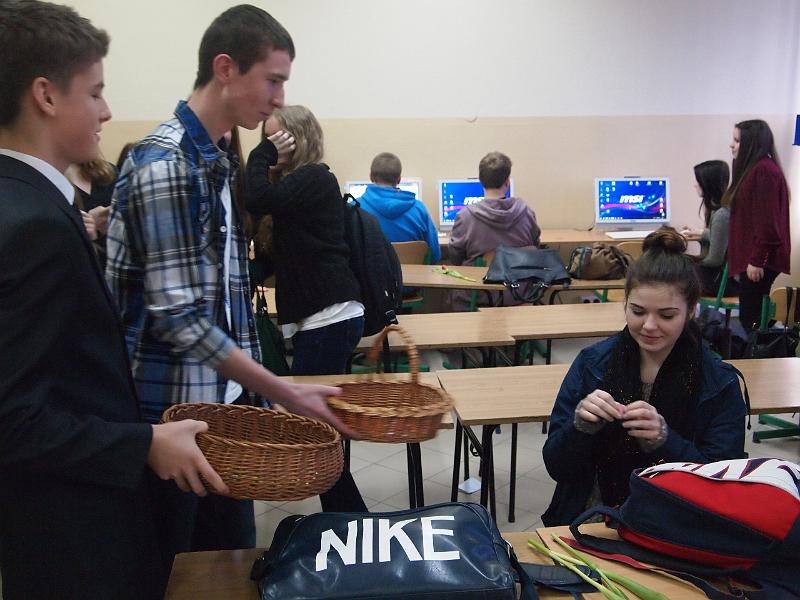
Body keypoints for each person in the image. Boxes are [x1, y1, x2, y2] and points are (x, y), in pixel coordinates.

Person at [106, 5, 351, 568]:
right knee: (174, 573)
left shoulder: (216, 158)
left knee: (232, 570)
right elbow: (181, 320)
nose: (279, 99)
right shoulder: (167, 163)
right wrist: (284, 390)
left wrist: (256, 397)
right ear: (225, 68)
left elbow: (230, 305)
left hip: (223, 416)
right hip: (171, 420)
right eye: (273, 80)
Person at [0, 2, 229, 598]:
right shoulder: (35, 225)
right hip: (71, 532)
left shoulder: (29, 201)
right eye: (96, 92)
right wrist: (144, 444)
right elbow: (13, 419)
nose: (106, 111)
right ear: (46, 96)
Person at [541, 228, 746, 526]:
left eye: (666, 315)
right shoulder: (593, 364)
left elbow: (723, 485)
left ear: (691, 311)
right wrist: (580, 427)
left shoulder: (718, 382)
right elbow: (556, 466)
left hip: (675, 527)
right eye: (638, 311)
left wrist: (664, 440)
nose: (649, 325)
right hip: (592, 520)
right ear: (625, 303)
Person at [245, 105, 368, 512]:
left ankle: (352, 522)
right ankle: (350, 520)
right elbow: (282, 256)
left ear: (299, 139)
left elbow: (255, 196)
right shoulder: (293, 190)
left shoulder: (314, 177)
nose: (271, 147)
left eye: (277, 138)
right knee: (321, 429)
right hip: (321, 317)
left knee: (317, 432)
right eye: (266, 138)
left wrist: (260, 154)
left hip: (329, 317)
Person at [448, 151, 541, 310]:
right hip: (518, 295)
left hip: (479, 295)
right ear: (507, 182)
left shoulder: (465, 216)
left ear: (480, 180)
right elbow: (535, 247)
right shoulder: (527, 212)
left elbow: (455, 257)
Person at [724, 120, 790, 329]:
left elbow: (768, 223)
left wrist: (757, 259)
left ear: (751, 144)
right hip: (755, 257)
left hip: (759, 259)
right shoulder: (756, 169)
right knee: (753, 318)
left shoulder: (763, 171)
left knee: (751, 320)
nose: (731, 145)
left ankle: (763, 350)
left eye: (737, 140)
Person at [358, 152, 441, 263]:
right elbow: (435, 254)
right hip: (413, 274)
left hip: (369, 273)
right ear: (399, 179)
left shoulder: (354, 208)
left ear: (371, 176)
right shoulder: (419, 209)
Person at [681, 160, 739, 296]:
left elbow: (714, 260)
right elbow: (720, 236)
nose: (695, 185)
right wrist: (701, 233)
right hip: (717, 278)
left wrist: (686, 261)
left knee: (674, 269)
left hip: (720, 282)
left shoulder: (721, 215)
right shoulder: (718, 210)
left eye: (698, 181)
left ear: (707, 184)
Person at [66, 157, 117, 264]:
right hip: (86, 262)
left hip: (119, 259)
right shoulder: (51, 185)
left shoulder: (109, 171)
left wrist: (115, 217)